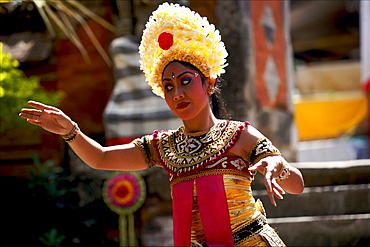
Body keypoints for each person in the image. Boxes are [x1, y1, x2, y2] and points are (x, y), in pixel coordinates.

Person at [19, 2, 304, 246]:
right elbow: (101, 157)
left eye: (185, 81)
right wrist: (70, 131)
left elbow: (298, 185)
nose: (177, 92)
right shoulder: (164, 146)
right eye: (168, 86)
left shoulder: (239, 135)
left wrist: (277, 166)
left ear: (209, 84)